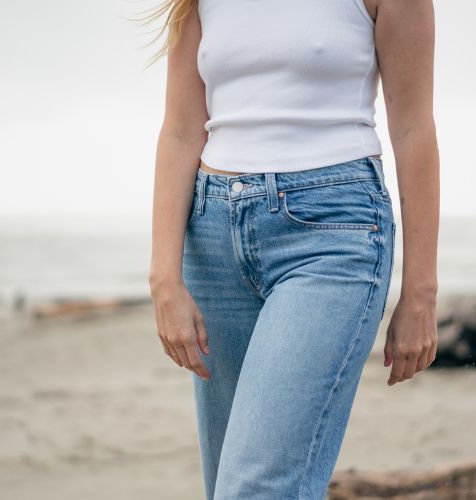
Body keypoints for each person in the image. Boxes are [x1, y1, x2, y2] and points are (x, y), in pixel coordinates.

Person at [147, 0, 439, 498]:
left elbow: (413, 129)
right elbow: (178, 132)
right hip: (212, 237)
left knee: (255, 488)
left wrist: (420, 292)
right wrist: (163, 279)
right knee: (227, 487)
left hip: (333, 234)